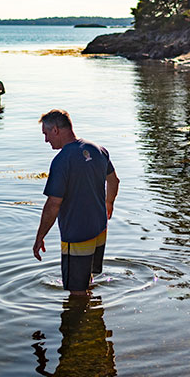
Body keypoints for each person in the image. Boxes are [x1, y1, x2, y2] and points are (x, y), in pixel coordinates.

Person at [33, 109, 119, 295]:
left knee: (76, 293)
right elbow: (114, 181)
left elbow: (53, 205)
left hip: (77, 235)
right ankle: (94, 318)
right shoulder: (98, 150)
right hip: (99, 230)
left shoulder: (62, 161)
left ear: (55, 130)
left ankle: (79, 322)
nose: (46, 140)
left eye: (46, 134)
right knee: (87, 282)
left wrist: (40, 236)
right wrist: (108, 204)